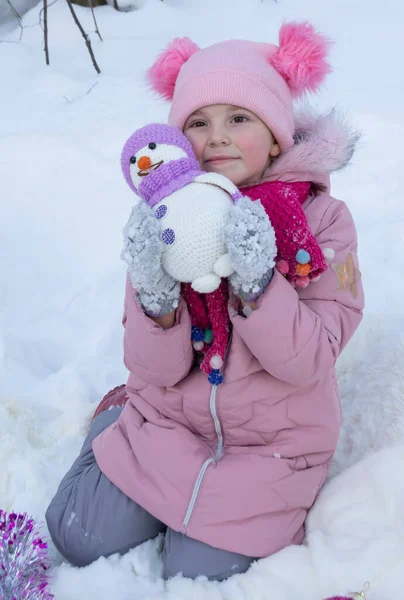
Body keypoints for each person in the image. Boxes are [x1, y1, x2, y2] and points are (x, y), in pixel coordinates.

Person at [45, 22, 364, 581]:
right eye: (198, 122)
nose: (216, 137)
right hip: (169, 424)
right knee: (77, 531)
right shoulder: (165, 219)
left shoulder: (323, 223)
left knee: (197, 573)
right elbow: (155, 368)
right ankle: (115, 421)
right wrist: (156, 295)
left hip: (272, 448)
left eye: (238, 118)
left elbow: (308, 360)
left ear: (276, 136)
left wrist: (257, 281)